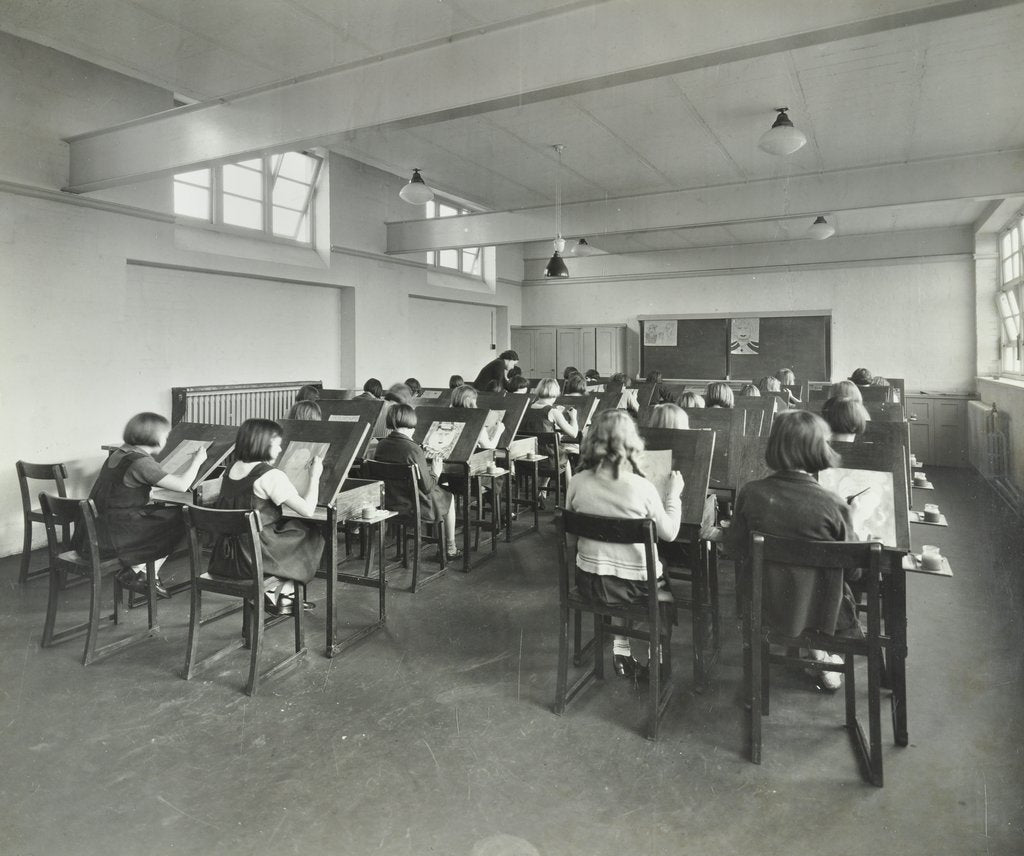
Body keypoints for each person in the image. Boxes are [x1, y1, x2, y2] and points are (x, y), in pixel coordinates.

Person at [726, 410, 864, 691]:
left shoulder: (751, 493)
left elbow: (733, 547)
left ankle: (818, 657)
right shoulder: (835, 505)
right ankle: (824, 657)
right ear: (818, 450)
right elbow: (855, 570)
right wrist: (854, 519)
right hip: (823, 615)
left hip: (764, 607)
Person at [565, 410, 684, 677]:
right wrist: (674, 495)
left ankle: (621, 651)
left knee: (619, 566)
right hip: (635, 588)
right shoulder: (642, 487)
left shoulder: (577, 481)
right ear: (632, 443)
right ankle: (658, 657)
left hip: (590, 582)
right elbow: (671, 532)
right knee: (662, 584)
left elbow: (569, 538)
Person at [210, 419, 324, 615]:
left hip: (226, 557)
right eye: (277, 444)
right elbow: (307, 510)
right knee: (312, 533)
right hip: (255, 558)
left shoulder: (230, 469)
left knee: (292, 530)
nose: (280, 450)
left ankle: (277, 594)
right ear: (262, 444)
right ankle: (283, 593)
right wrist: (315, 476)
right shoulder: (270, 475)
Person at [85, 412, 206, 598]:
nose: (166, 439)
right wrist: (197, 461)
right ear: (155, 438)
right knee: (184, 518)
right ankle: (139, 572)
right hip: (118, 532)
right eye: (165, 436)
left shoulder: (120, 453)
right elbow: (182, 486)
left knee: (168, 516)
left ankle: (142, 573)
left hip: (100, 526)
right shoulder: (141, 462)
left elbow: (123, 490)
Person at [372, 404, 459, 559]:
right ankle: (450, 548)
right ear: (411, 423)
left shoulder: (381, 445)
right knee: (449, 497)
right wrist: (435, 472)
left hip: (390, 502)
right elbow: (427, 487)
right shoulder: (413, 449)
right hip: (414, 505)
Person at [521, 378, 579, 505]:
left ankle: (541, 493)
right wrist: (574, 418)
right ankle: (570, 499)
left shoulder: (527, 408)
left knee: (552, 450)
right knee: (565, 457)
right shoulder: (553, 411)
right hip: (549, 460)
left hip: (529, 458)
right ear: (555, 392)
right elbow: (574, 433)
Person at [450, 384, 505, 449]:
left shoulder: (447, 415)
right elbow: (489, 447)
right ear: (469, 400)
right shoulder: (475, 420)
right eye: (474, 399)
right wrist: (499, 431)